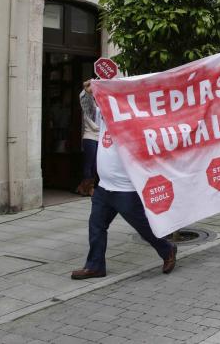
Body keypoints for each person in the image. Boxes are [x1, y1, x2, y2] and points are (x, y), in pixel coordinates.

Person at [70, 108, 177, 280]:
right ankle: (95, 266)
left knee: (143, 227)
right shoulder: (103, 117)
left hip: (125, 190)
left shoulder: (131, 122)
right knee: (96, 226)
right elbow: (88, 109)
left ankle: (167, 250)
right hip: (104, 188)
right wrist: (88, 92)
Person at [76, 80, 99, 197]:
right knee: (89, 164)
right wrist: (101, 129)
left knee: (95, 165)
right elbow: (90, 122)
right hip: (90, 137)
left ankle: (84, 187)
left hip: (98, 138)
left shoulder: (96, 103)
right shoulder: (87, 103)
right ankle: (87, 188)